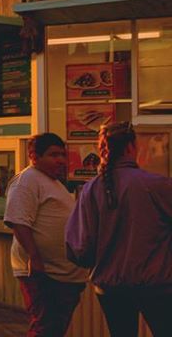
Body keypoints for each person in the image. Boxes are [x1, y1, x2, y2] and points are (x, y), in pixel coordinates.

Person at [66, 122, 172, 336]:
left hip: (110, 288)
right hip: (156, 285)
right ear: (131, 147)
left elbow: (78, 248)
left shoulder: (89, 191)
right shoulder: (157, 185)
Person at [4, 133, 87, 337]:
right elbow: (19, 222)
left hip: (65, 275)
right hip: (45, 274)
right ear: (34, 156)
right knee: (45, 329)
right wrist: (35, 258)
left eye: (63, 155)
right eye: (53, 155)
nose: (61, 160)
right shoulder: (27, 180)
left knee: (55, 329)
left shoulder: (53, 182)